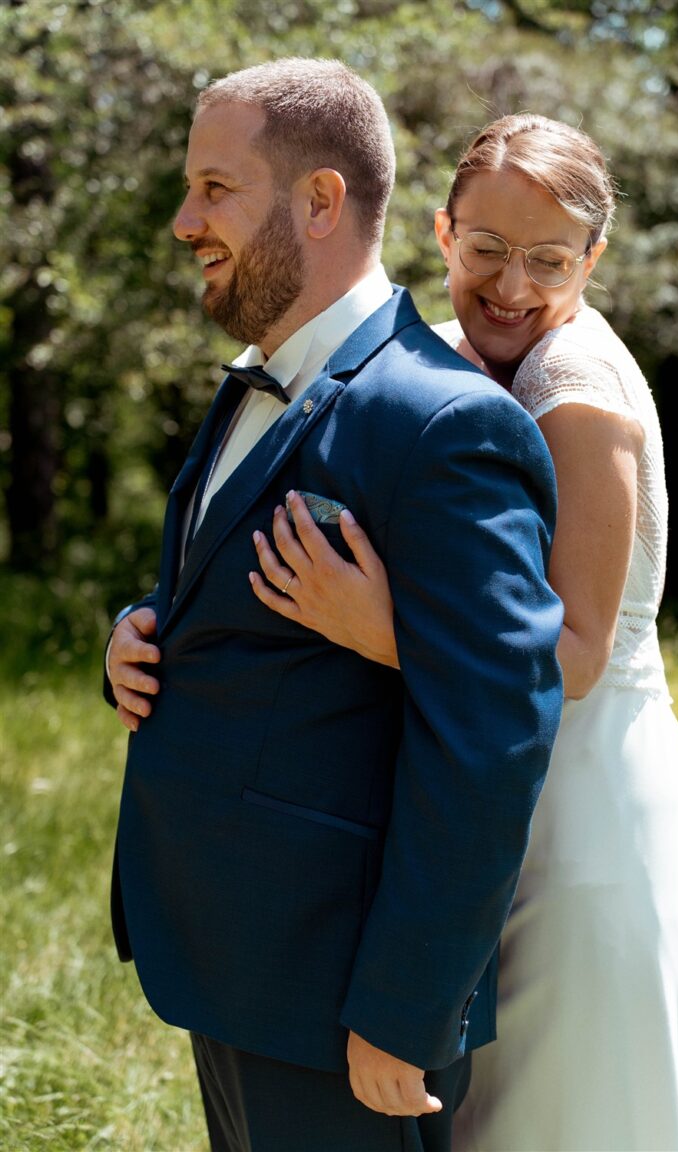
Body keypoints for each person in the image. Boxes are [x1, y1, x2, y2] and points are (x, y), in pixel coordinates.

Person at [247, 113, 678, 1151]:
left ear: (594, 259)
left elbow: (574, 657)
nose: (512, 287)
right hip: (485, 800)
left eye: (548, 260)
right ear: (443, 233)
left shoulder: (576, 397)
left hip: (583, 819)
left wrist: (384, 630)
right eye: (486, 250)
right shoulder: (440, 358)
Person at [105, 62, 564, 1152]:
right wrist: (142, 628)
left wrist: (406, 1012)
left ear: (318, 200)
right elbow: (235, 590)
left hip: (339, 994)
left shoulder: (446, 425)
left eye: (215, 188)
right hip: (230, 960)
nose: (184, 221)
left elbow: (492, 738)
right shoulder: (252, 381)